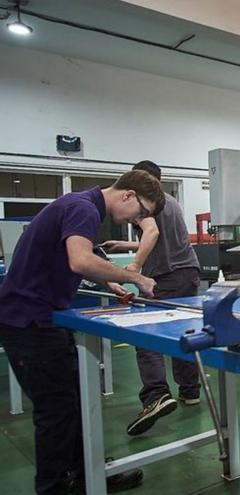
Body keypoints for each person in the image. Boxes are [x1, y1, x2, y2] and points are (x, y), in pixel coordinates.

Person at [0, 170, 164, 494]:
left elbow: (74, 257)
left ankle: (86, 470)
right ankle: (55, 486)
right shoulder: (84, 209)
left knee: (74, 400)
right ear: (127, 195)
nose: (138, 221)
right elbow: (79, 260)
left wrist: (111, 282)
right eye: (141, 213)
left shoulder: (82, 205)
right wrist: (137, 278)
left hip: (46, 319)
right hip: (29, 323)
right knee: (56, 411)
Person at [101, 161, 203, 436]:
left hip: (166, 275)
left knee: (146, 332)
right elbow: (161, 238)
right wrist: (127, 244)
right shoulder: (171, 202)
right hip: (188, 271)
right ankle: (189, 390)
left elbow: (153, 232)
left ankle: (156, 394)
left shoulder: (147, 203)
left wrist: (134, 267)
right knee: (183, 331)